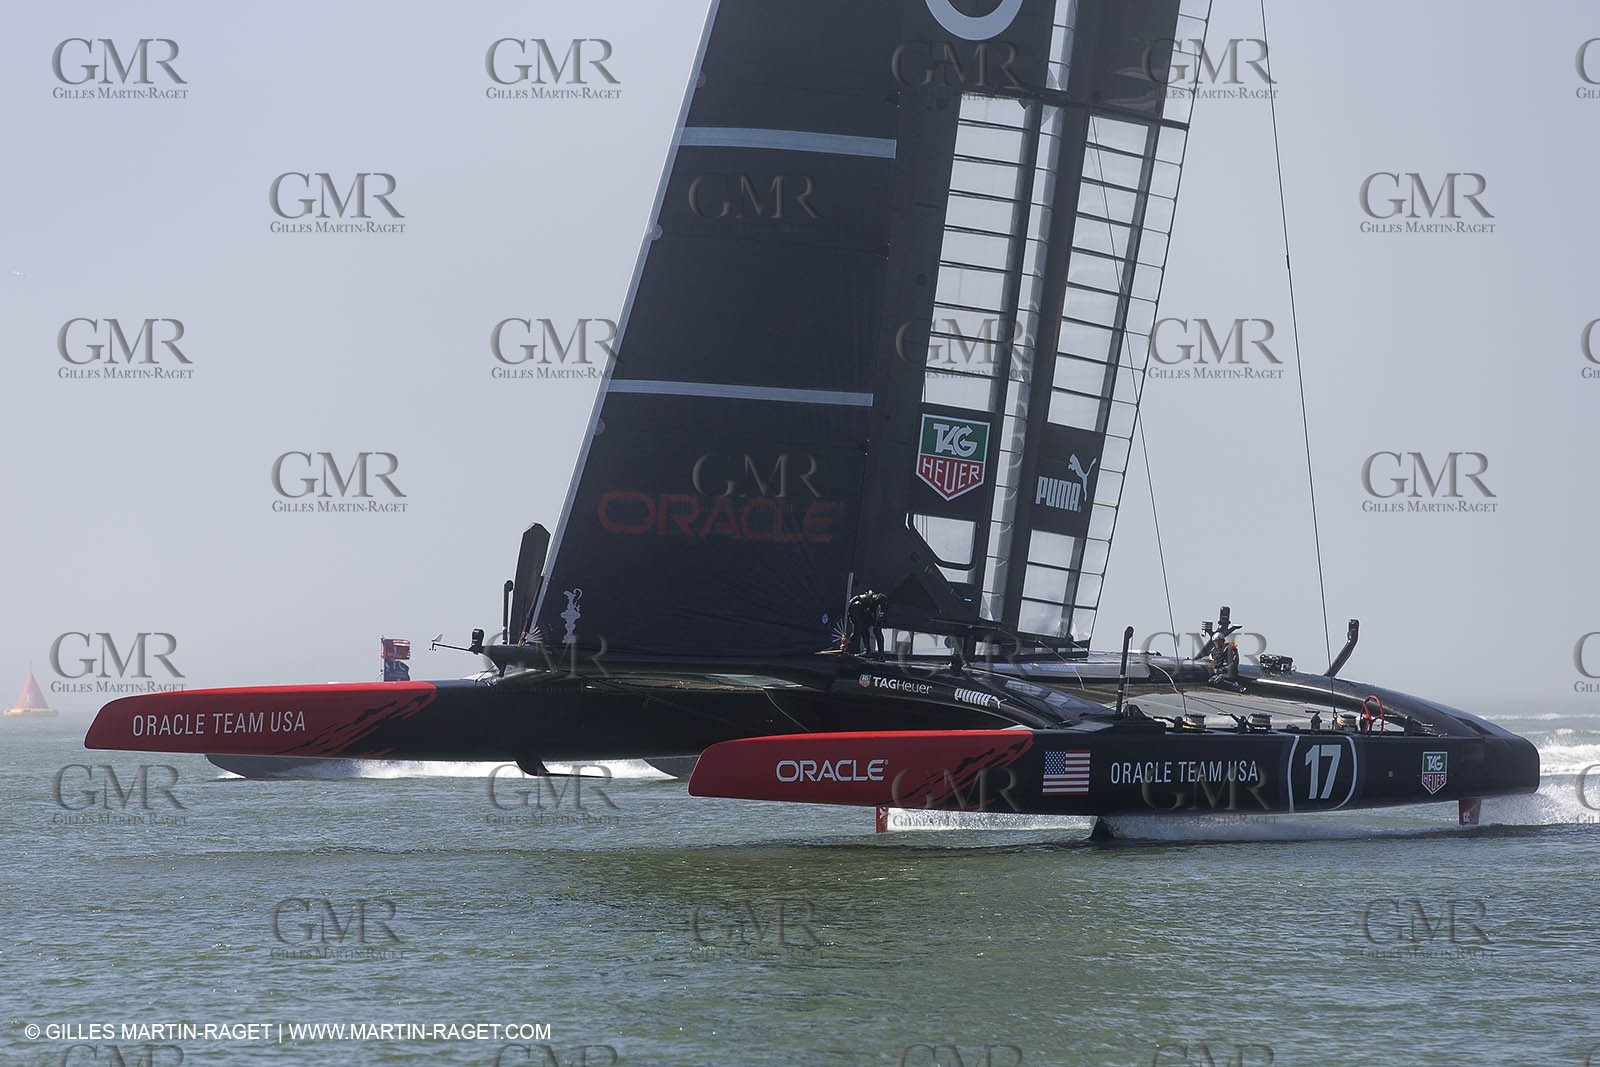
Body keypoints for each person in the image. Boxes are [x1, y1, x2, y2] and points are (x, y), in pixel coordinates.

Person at [840, 590, 888, 657]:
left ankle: (881, 655)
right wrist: (848, 642)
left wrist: (847, 642)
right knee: (864, 629)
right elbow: (855, 632)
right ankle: (868, 651)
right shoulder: (855, 616)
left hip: (879, 603)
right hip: (869, 611)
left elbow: (857, 597)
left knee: (876, 629)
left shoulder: (860, 603)